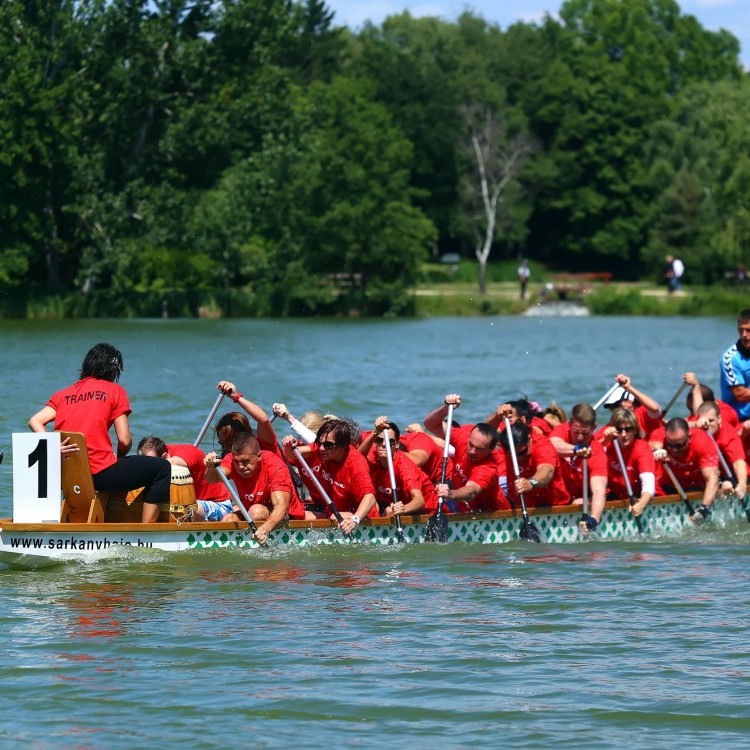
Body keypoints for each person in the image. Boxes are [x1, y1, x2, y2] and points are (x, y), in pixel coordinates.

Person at [28, 342, 171, 523]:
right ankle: (147, 531)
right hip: (100, 476)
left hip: (66, 476)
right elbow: (125, 440)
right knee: (161, 468)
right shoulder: (115, 391)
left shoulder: (62, 394)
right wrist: (120, 458)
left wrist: (52, 447)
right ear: (113, 370)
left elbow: (35, 421)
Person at [204, 433, 305, 544]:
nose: (241, 467)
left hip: (287, 517)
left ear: (259, 456)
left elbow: (281, 507)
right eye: (237, 462)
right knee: (228, 519)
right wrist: (211, 467)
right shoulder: (232, 461)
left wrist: (265, 529)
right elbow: (212, 479)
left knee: (256, 511)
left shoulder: (274, 465)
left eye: (245, 461)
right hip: (252, 514)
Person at [283, 419, 377, 533]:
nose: (322, 448)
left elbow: (370, 498)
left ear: (343, 445)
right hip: (331, 509)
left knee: (334, 517)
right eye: (319, 442)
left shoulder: (356, 463)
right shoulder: (322, 448)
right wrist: (289, 446)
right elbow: (293, 454)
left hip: (359, 517)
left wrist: (355, 519)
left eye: (328, 445)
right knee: (293, 513)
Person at [424, 394, 507, 512]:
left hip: (495, 516)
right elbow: (430, 424)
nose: (472, 451)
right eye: (471, 445)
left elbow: (471, 491)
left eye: (479, 449)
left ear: (491, 449)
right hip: (466, 510)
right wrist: (445, 409)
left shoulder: (487, 468)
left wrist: (451, 494)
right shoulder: (462, 438)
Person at [136, 436, 232, 521]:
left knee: (186, 508)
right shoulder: (159, 454)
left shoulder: (189, 451)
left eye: (150, 463)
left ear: (165, 456)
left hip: (219, 504)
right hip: (192, 503)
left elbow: (169, 464)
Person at [549, 402, 608, 531]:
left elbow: (599, 491)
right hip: (557, 498)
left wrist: (594, 518)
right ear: (569, 424)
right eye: (576, 432)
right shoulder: (562, 430)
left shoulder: (597, 451)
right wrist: (576, 449)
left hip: (582, 499)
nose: (580, 437)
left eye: (585, 433)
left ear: (594, 428)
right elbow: (552, 445)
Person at [360, 417, 437, 516]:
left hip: (426, 509)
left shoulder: (404, 465)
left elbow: (419, 500)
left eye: (390, 442)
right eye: (379, 440)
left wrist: (402, 509)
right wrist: (376, 431)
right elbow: (358, 457)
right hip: (393, 500)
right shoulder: (374, 455)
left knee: (389, 511)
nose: (384, 445)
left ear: (396, 444)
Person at [651, 418, 719, 524]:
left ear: (689, 437)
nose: (674, 450)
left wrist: (704, 508)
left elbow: (712, 478)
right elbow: (653, 444)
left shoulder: (702, 442)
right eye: (670, 445)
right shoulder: (661, 433)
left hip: (697, 487)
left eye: (679, 445)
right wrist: (657, 450)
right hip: (669, 487)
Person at [597, 407, 656, 517]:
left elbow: (648, 484)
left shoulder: (642, 448)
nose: (623, 434)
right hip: (614, 493)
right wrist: (605, 441)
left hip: (638, 494)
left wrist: (641, 504)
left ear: (635, 430)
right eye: (619, 430)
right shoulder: (609, 443)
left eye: (628, 429)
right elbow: (591, 455)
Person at [497, 421, 568, 508]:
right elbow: (485, 434)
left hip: (553, 506)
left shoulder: (543, 446)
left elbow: (546, 471)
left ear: (529, 439)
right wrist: (496, 416)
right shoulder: (508, 443)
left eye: (523, 452)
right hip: (521, 506)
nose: (518, 458)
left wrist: (531, 482)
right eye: (513, 455)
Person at [691, 402, 747, 499]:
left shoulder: (728, 432)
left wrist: (742, 484)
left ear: (719, 419)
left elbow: (738, 462)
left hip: (724, 474)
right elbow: (677, 426)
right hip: (699, 474)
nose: (707, 424)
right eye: (704, 421)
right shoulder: (694, 427)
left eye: (711, 420)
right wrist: (695, 424)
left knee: (727, 486)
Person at [600, 373, 663, 442]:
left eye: (616, 406)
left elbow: (655, 408)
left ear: (629, 402)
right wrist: (605, 440)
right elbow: (594, 445)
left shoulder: (642, 412)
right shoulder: (613, 424)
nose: (614, 410)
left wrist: (628, 387)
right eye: (611, 407)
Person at [719, 309, 750, 421]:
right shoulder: (729, 358)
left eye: (748, 330)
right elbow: (740, 395)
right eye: (741, 330)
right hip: (738, 419)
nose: (744, 335)